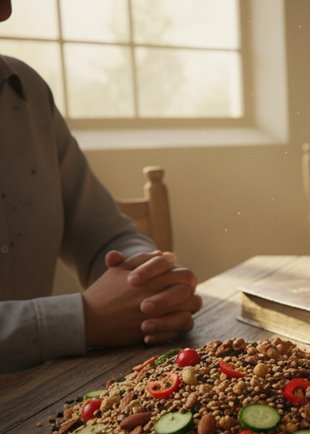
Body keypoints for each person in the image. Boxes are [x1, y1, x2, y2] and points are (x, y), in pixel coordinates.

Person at [0, 0, 202, 373]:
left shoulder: (27, 91)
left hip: (39, 394)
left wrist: (147, 282)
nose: (6, 10)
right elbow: (88, 317)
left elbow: (105, 234)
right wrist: (84, 318)